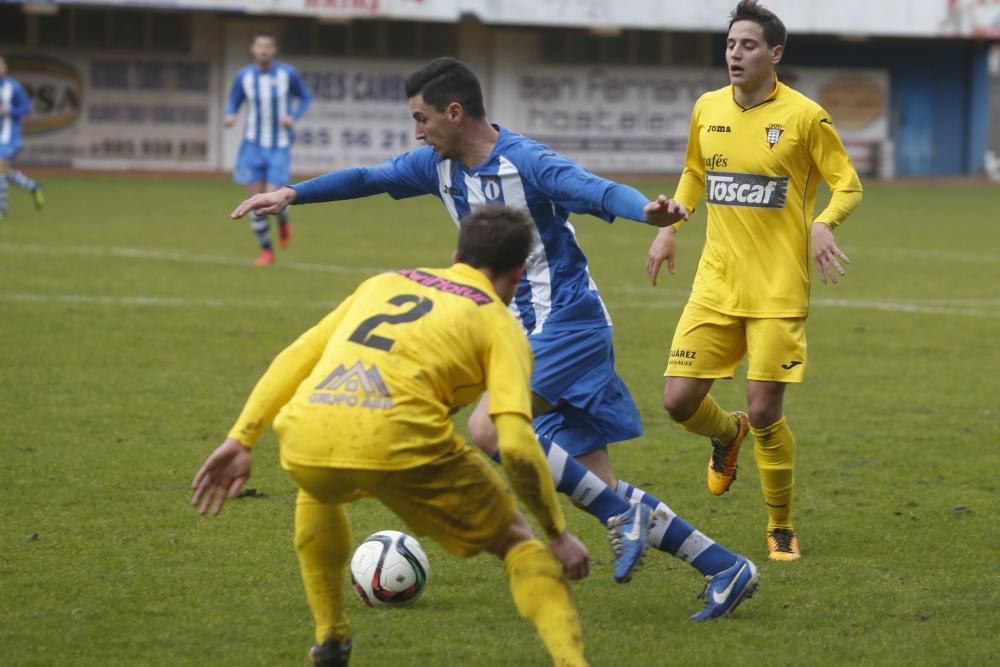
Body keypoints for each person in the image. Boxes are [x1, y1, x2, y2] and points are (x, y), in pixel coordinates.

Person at [232, 57, 759, 620]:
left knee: (489, 428)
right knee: (595, 485)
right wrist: (291, 194)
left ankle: (619, 515)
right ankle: (725, 566)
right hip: (525, 333)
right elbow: (368, 178)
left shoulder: (528, 162)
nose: (417, 131)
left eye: (422, 118)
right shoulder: (435, 165)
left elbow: (596, 191)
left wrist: (649, 212)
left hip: (566, 323)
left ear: (454, 113)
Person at [192, 205, 591, 667]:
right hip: (405, 443)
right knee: (518, 544)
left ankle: (331, 640)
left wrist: (242, 438)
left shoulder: (384, 282)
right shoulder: (500, 325)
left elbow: (298, 353)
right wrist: (557, 532)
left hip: (308, 434)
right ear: (520, 273)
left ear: (457, 253)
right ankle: (571, 662)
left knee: (319, 488)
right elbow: (517, 445)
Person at [646, 0, 863, 561]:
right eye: (730, 45)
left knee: (766, 409)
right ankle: (726, 434)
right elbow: (696, 173)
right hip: (716, 282)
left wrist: (822, 223)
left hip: (777, 288)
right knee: (677, 402)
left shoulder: (805, 117)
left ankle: (781, 525)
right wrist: (673, 224)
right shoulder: (707, 108)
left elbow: (848, 185)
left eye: (748, 45)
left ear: (775, 54)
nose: (735, 54)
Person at [224, 33, 312, 266]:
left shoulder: (287, 73)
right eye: (259, 45)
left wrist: (293, 116)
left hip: (279, 145)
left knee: (277, 194)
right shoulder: (245, 75)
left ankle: (283, 221)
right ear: (252, 49)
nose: (263, 50)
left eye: (268, 46)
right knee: (255, 199)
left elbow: (305, 97)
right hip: (252, 145)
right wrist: (230, 114)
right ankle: (266, 251)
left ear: (274, 50)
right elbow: (235, 99)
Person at [0, 56, 44, 222]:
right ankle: (33, 187)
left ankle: (2, 210)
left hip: (9, 137)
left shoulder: (14, 88)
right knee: (3, 173)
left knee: (0, 169)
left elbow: (25, 108)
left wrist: (9, 111)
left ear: (5, 68)